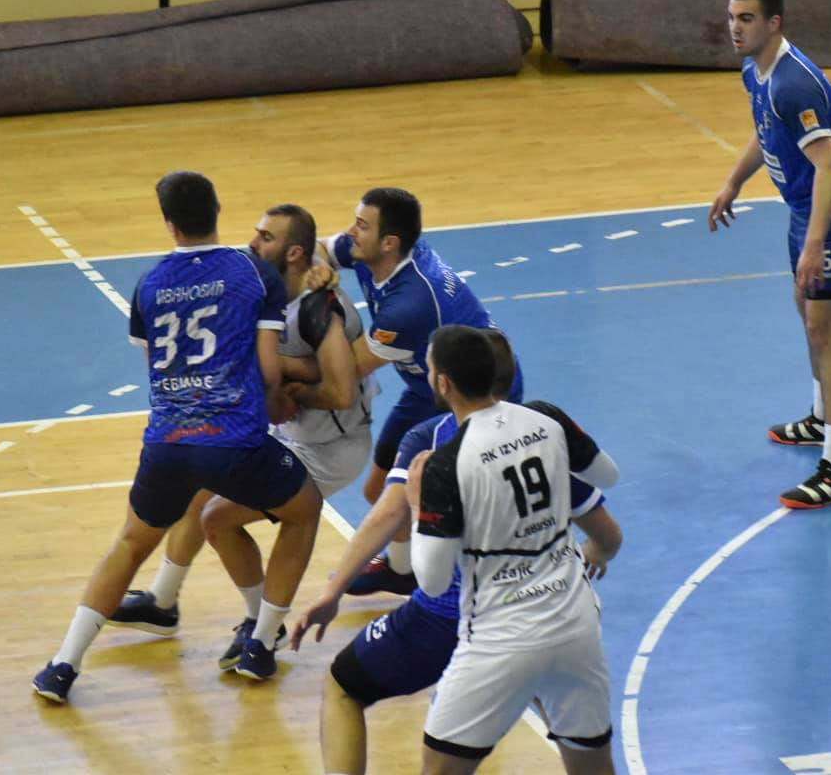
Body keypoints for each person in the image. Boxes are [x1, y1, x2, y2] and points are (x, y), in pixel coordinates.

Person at [32, 172, 322, 703]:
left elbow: (156, 365)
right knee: (304, 509)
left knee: (129, 544)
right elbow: (267, 367)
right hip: (234, 441)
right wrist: (274, 397)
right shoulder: (252, 272)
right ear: (218, 208)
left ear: (169, 224)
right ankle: (261, 642)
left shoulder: (149, 284)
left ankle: (61, 665)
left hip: (167, 443)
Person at [291, 329, 622, 775]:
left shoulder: (442, 458)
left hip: (495, 631)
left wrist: (417, 504)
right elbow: (607, 483)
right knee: (591, 763)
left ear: (443, 382)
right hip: (573, 621)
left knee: (423, 753)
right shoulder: (547, 424)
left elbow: (429, 578)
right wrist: (597, 545)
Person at [109, 204, 373, 679]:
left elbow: (340, 391)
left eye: (265, 237)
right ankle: (165, 603)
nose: (252, 243)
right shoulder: (268, 287)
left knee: (218, 518)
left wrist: (291, 390)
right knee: (199, 482)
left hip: (331, 448)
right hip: (290, 435)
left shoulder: (320, 306)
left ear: (293, 253)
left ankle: (263, 631)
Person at [709, 0, 831, 510]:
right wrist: (734, 182)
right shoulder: (755, 72)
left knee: (827, 329)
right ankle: (822, 418)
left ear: (774, 23)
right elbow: (767, 133)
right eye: (732, 17)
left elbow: (829, 166)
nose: (735, 28)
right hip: (806, 207)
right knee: (806, 309)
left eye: (747, 19)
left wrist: (815, 241)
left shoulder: (794, 85)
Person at [315, 187, 522, 597]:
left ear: (389, 243)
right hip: (429, 385)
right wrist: (320, 270)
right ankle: (400, 569)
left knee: (438, 497)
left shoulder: (409, 306)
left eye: (362, 226)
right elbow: (319, 247)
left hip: (479, 396)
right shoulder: (376, 253)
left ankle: (462, 579)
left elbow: (347, 369)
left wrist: (322, 310)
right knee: (378, 489)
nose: (351, 232)